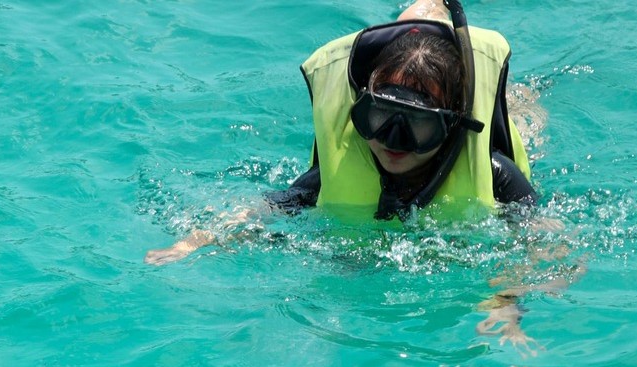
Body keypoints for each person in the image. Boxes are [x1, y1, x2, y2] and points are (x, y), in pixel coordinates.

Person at [147, 1, 573, 348]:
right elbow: (264, 209)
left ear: (448, 125)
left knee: (525, 121)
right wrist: (195, 241)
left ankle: (514, 92)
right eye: (379, 117)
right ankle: (423, 15)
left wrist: (506, 302)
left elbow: (549, 242)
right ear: (360, 110)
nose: (393, 141)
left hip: (492, 127)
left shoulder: (494, 172)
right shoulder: (339, 167)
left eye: (418, 125)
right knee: (414, 54)